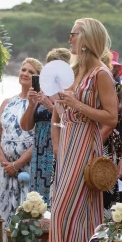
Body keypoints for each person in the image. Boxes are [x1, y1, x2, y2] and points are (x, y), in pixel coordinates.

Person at [48, 18, 118, 242]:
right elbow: (64, 113)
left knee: (69, 213)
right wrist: (59, 105)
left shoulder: (101, 74)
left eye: (73, 34)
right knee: (64, 213)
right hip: (67, 144)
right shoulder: (75, 71)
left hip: (85, 145)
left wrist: (78, 105)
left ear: (86, 39)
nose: (69, 39)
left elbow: (111, 117)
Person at [0, 58, 42, 226]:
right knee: (3, 213)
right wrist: (5, 163)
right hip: (5, 169)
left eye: (31, 72)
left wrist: (17, 164)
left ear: (38, 78)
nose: (25, 73)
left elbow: (38, 140)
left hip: (26, 168)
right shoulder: (7, 102)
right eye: (23, 69)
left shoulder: (39, 105)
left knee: (26, 216)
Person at [20, 48, 71, 203]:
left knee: (54, 196)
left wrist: (50, 106)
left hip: (56, 148)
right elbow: (26, 126)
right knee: (37, 200)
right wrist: (32, 104)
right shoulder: (44, 89)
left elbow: (70, 121)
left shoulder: (68, 92)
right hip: (39, 150)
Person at [102, 51, 122, 209]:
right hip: (99, 153)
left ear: (115, 71)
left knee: (113, 206)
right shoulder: (96, 91)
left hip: (116, 156)